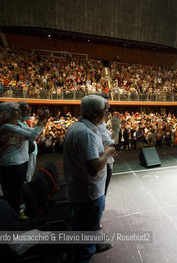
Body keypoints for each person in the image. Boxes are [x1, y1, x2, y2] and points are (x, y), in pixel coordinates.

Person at [63, 95, 117, 263]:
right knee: (86, 245)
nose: (107, 114)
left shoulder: (78, 128)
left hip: (79, 191)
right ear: (95, 112)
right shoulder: (87, 134)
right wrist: (108, 152)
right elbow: (94, 168)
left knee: (78, 238)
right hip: (89, 194)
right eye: (105, 111)